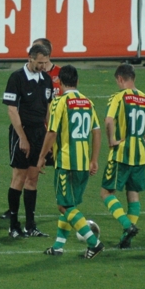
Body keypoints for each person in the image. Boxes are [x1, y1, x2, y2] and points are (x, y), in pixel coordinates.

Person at [36, 64, 104, 258]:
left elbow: (52, 131)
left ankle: (94, 242)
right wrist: (94, 160)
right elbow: (96, 132)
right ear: (77, 81)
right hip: (83, 163)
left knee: (65, 206)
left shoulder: (59, 102)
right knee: (69, 204)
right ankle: (58, 246)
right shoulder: (88, 102)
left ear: (59, 82)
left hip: (66, 163)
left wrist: (41, 157)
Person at [99, 64, 145, 249]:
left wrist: (112, 140)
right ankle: (125, 239)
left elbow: (108, 120)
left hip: (121, 152)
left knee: (106, 192)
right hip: (140, 153)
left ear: (120, 79)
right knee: (133, 194)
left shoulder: (119, 97)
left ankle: (127, 226)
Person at [2, 42, 53, 239]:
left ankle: (31, 225)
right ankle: (14, 225)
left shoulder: (46, 80)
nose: (43, 66)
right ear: (30, 59)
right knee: (19, 178)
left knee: (33, 178)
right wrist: (22, 138)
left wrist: (49, 137)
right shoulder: (16, 78)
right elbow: (11, 109)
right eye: (40, 62)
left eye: (46, 62)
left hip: (40, 134)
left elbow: (48, 109)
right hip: (21, 133)